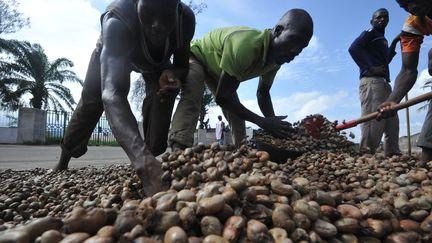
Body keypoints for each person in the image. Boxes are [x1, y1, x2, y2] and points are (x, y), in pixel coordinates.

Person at [55, 0, 195, 196]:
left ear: (176, 8)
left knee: (163, 98)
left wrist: (172, 75)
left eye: (166, 17)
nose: (157, 25)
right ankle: (64, 159)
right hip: (112, 53)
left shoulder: (184, 21)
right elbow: (112, 93)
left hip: (156, 64)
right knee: (91, 103)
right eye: (150, 13)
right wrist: (142, 163)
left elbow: (182, 66)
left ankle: (150, 155)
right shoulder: (117, 21)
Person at [168, 9, 313, 149]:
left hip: (219, 71)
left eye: (302, 47)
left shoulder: (275, 61)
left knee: (237, 116)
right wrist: (262, 122)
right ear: (278, 30)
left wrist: (274, 124)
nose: (296, 51)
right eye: (294, 40)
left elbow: (263, 94)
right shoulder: (247, 45)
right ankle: (178, 146)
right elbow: (222, 98)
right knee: (193, 93)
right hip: (197, 56)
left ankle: (242, 150)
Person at [378, 0, 432, 165]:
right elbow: (408, 70)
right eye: (404, 5)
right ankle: (426, 164)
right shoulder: (413, 23)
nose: (411, 7)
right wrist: (392, 100)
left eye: (413, 0)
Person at [348, 8, 401, 156]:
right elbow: (353, 48)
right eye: (378, 18)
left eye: (385, 17)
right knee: (373, 117)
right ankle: (367, 153)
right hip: (371, 82)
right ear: (372, 21)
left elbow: (386, 61)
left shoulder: (382, 39)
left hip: (384, 83)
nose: (382, 20)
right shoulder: (369, 33)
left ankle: (392, 152)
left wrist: (395, 42)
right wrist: (370, 68)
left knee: (391, 116)